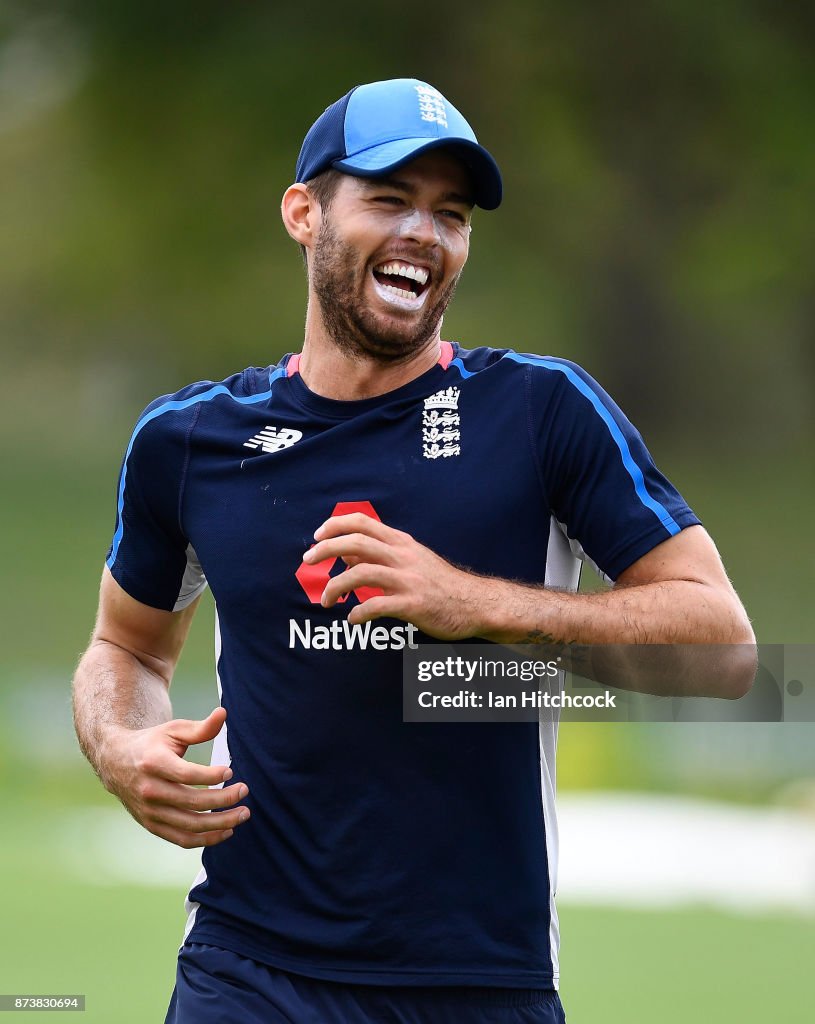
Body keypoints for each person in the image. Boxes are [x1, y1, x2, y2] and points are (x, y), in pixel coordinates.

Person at [72, 78, 755, 1024]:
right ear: (303, 213)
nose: (424, 235)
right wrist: (118, 743)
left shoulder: (542, 411)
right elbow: (128, 648)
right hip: (245, 970)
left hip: (478, 982)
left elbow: (724, 652)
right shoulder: (189, 440)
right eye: (390, 200)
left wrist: (480, 606)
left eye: (451, 214)